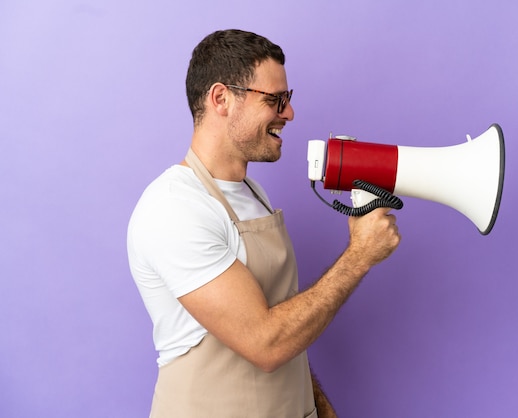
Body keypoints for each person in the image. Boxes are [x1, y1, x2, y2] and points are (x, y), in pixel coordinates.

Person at [127, 29, 401, 418]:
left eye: (287, 100)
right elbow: (266, 343)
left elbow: (284, 317)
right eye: (276, 100)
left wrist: (318, 406)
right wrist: (359, 256)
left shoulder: (252, 193)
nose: (289, 114)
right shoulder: (175, 207)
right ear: (221, 98)